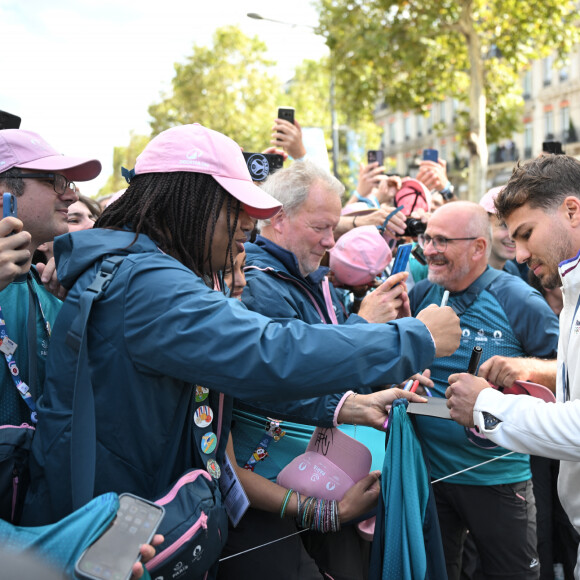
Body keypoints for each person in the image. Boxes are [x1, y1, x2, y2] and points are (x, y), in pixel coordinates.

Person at [21, 124, 460, 572]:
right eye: (238, 205)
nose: (250, 225)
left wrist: (343, 404)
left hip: (128, 519)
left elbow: (246, 370)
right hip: (117, 533)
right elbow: (270, 351)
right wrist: (414, 337)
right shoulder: (148, 284)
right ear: (192, 201)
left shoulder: (140, 271)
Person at [230, 159, 439, 579]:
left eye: (334, 227)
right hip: (282, 484)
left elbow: (327, 365)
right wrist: (367, 328)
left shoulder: (307, 276)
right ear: (277, 218)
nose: (330, 240)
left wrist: (388, 375)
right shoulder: (258, 283)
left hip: (319, 472)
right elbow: (293, 377)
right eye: (320, 228)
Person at [409, 200, 559, 580]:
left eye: (442, 240)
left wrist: (523, 370)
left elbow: (567, 372)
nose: (429, 249)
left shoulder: (517, 299)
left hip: (496, 477)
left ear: (478, 247)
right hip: (427, 475)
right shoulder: (422, 294)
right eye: (428, 238)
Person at [446, 154, 580, 579]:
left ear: (571, 210)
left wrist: (487, 406)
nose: (519, 255)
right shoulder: (569, 285)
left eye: (526, 234)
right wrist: (539, 372)